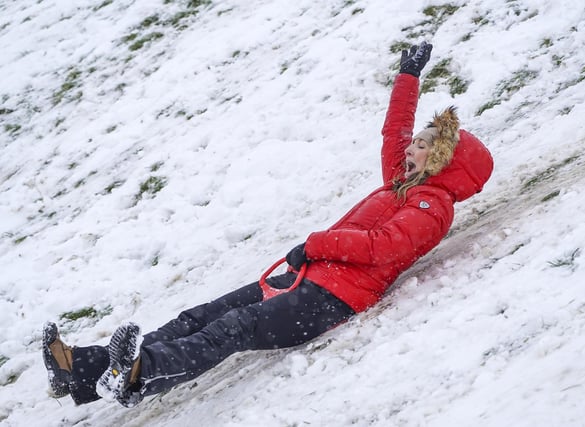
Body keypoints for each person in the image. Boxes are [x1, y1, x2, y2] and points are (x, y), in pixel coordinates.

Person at [42, 41, 494, 407]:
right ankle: (82, 370)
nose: (408, 148)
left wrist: (315, 244)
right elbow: (392, 128)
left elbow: (381, 249)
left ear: (439, 159)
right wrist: (408, 76)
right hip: (306, 278)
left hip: (332, 299)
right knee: (200, 316)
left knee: (233, 328)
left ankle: (138, 373)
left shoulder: (432, 206)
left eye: (419, 146)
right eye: (414, 142)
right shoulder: (402, 183)